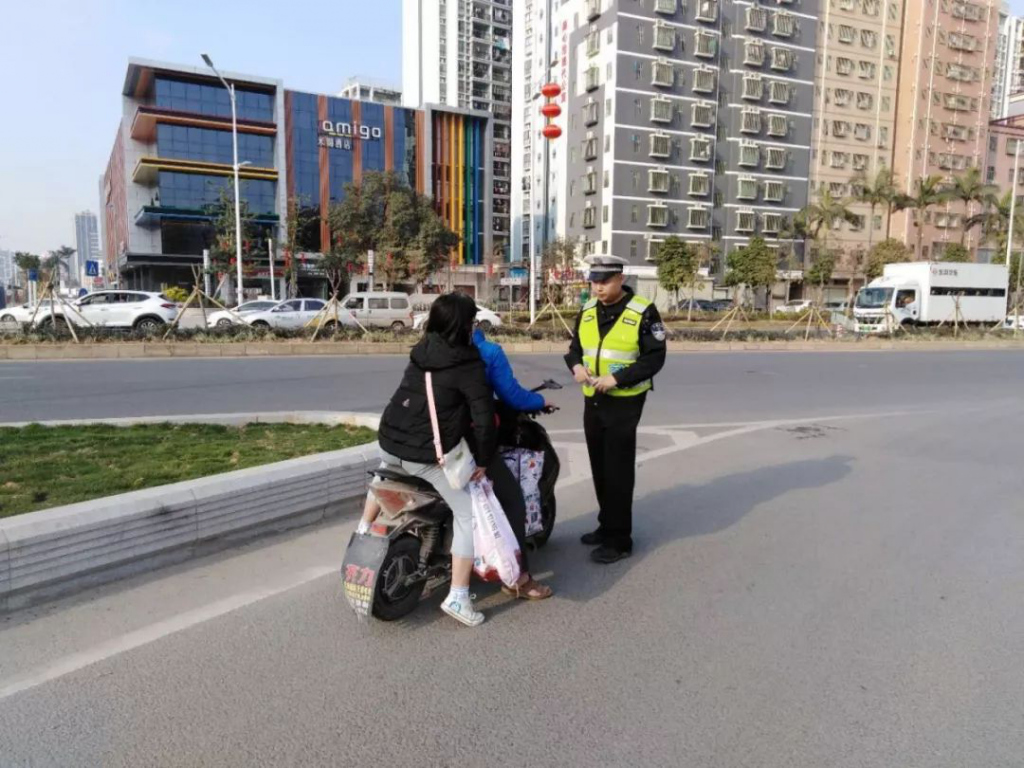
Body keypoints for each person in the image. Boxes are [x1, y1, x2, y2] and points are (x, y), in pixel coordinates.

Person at [372, 293, 497, 627]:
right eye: (472, 321)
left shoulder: (421, 351)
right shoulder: (468, 363)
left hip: (388, 444)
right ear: (463, 325)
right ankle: (458, 596)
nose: (474, 327)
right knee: (467, 513)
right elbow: (484, 419)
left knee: (382, 477)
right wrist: (484, 460)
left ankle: (364, 531)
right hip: (424, 457)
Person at [564, 255, 667, 564]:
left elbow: (654, 358)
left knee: (618, 470)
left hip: (625, 401)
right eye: (594, 282)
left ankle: (620, 540)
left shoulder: (643, 311)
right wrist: (576, 366)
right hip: (593, 399)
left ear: (620, 279)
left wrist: (617, 378)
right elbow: (574, 349)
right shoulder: (587, 310)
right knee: (599, 465)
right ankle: (606, 524)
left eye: (604, 282)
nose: (598, 288)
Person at [473, 326, 554, 601]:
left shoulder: (424, 351)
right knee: (512, 501)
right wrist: (539, 400)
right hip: (462, 443)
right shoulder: (485, 352)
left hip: (412, 438)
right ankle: (519, 579)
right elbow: (511, 394)